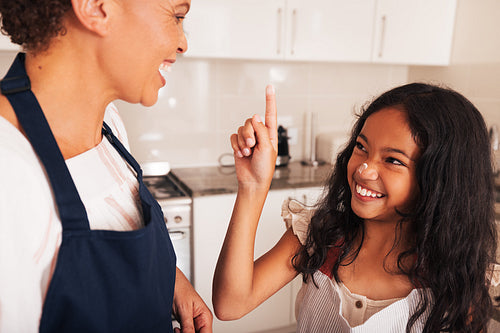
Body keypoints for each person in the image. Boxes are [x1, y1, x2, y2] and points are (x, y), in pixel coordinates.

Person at [213, 83, 498, 332]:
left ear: (440, 180)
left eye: (393, 160)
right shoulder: (319, 234)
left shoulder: (455, 283)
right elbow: (230, 305)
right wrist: (252, 186)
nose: (364, 169)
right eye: (361, 147)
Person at [0, 0, 213, 332]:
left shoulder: (108, 124)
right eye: (177, 15)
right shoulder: (8, 170)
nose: (183, 42)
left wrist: (172, 283)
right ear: (95, 7)